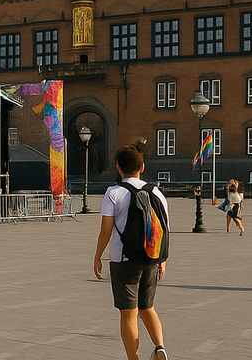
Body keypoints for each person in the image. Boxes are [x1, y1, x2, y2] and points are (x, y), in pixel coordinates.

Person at [93, 139, 170, 360]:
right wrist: (162, 259)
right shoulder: (157, 192)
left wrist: (97, 257)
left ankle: (133, 359)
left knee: (128, 314)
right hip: (151, 258)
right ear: (142, 166)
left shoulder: (113, 193)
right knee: (148, 308)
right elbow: (163, 228)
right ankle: (160, 347)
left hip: (123, 259)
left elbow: (105, 231)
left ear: (118, 167)